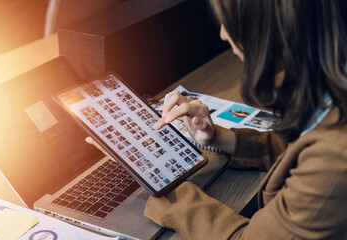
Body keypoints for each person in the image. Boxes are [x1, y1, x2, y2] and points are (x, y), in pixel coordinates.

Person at [87, 0, 347, 239]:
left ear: (272, 27)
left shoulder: (335, 156)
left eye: (230, 20)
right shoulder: (330, 86)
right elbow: (302, 149)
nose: (223, 33)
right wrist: (221, 138)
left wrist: (167, 189)